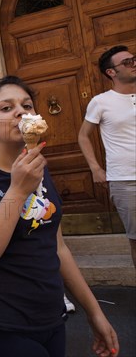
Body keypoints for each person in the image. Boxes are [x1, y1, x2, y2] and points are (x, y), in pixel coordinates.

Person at [0, 76, 119, 357]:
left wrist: (94, 312)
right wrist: (17, 189)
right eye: (6, 107)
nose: (20, 111)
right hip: (2, 324)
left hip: (52, 317)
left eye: (26, 105)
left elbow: (58, 247)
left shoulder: (39, 170)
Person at [78, 45, 136, 268]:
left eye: (134, 59)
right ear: (111, 72)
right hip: (125, 180)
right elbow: (83, 136)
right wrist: (95, 168)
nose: (134, 63)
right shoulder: (101, 102)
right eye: (127, 62)